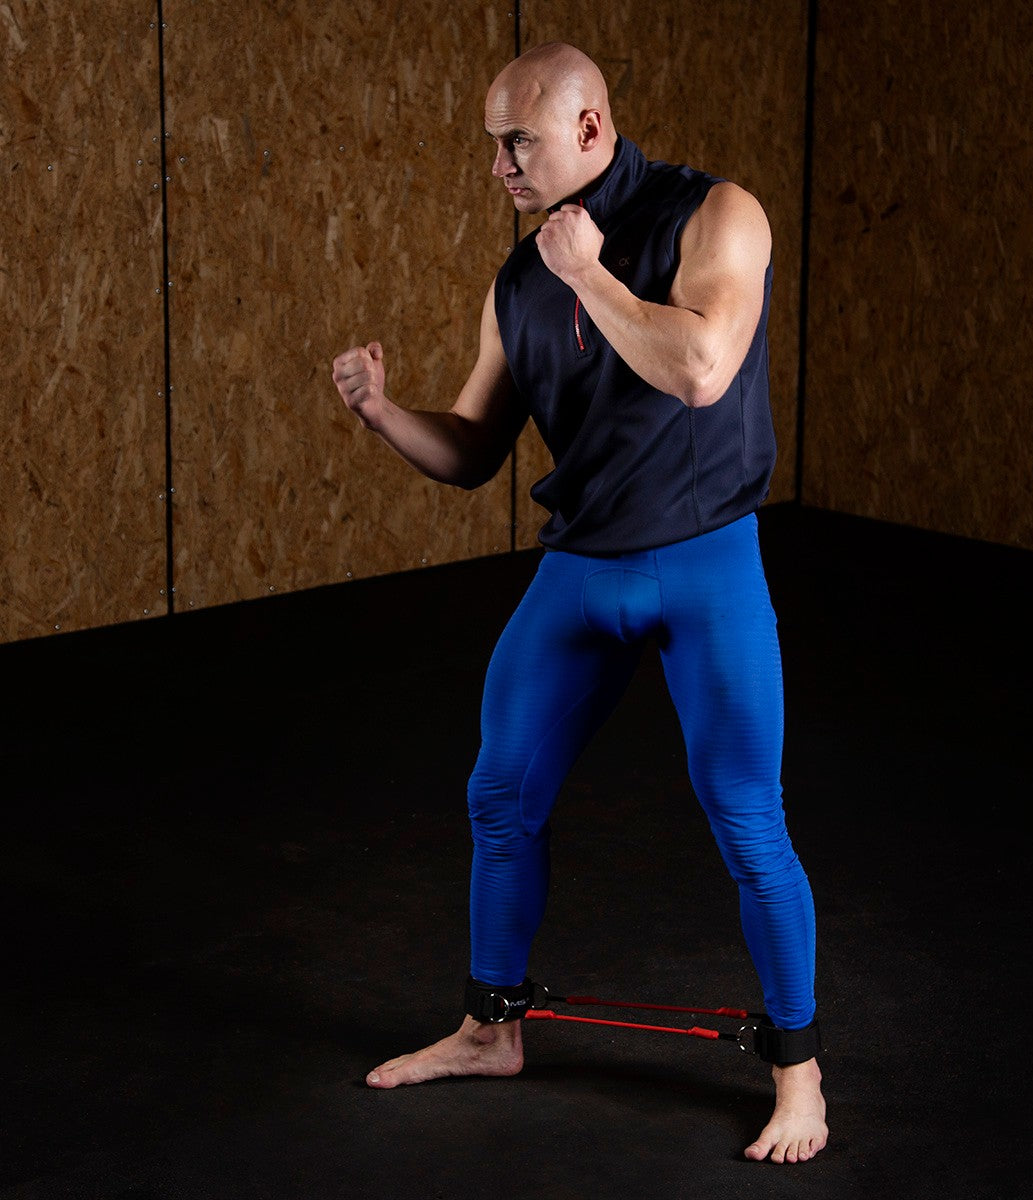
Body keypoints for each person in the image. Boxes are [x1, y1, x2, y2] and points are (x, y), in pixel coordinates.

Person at [331, 42, 828, 1165]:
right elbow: (473, 450)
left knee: (747, 819)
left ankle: (799, 1076)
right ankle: (488, 1029)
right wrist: (384, 414)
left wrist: (593, 277)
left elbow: (701, 369)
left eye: (519, 141)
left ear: (591, 130)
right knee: (498, 795)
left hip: (706, 565)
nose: (499, 165)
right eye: (492, 144)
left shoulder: (717, 216)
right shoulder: (519, 283)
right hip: (582, 571)